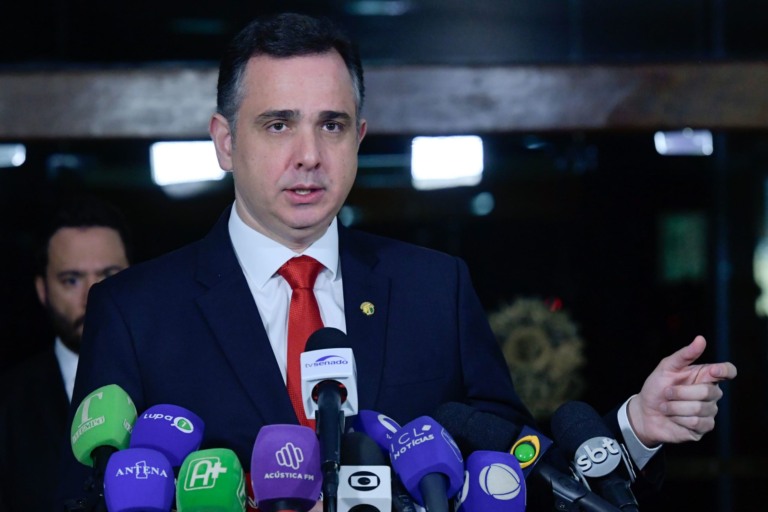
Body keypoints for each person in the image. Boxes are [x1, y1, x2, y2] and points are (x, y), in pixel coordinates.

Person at [57, 12, 737, 510]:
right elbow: (90, 494)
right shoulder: (136, 310)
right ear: (225, 142)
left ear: (360, 136)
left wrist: (631, 430)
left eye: (332, 125)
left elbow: (513, 470)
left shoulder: (433, 287)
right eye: (277, 124)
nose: (309, 155)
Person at [0, 195, 132, 512]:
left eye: (109, 276)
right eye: (71, 280)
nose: (93, 295)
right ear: (42, 290)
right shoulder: (7, 401)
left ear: (135, 279)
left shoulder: (174, 382)